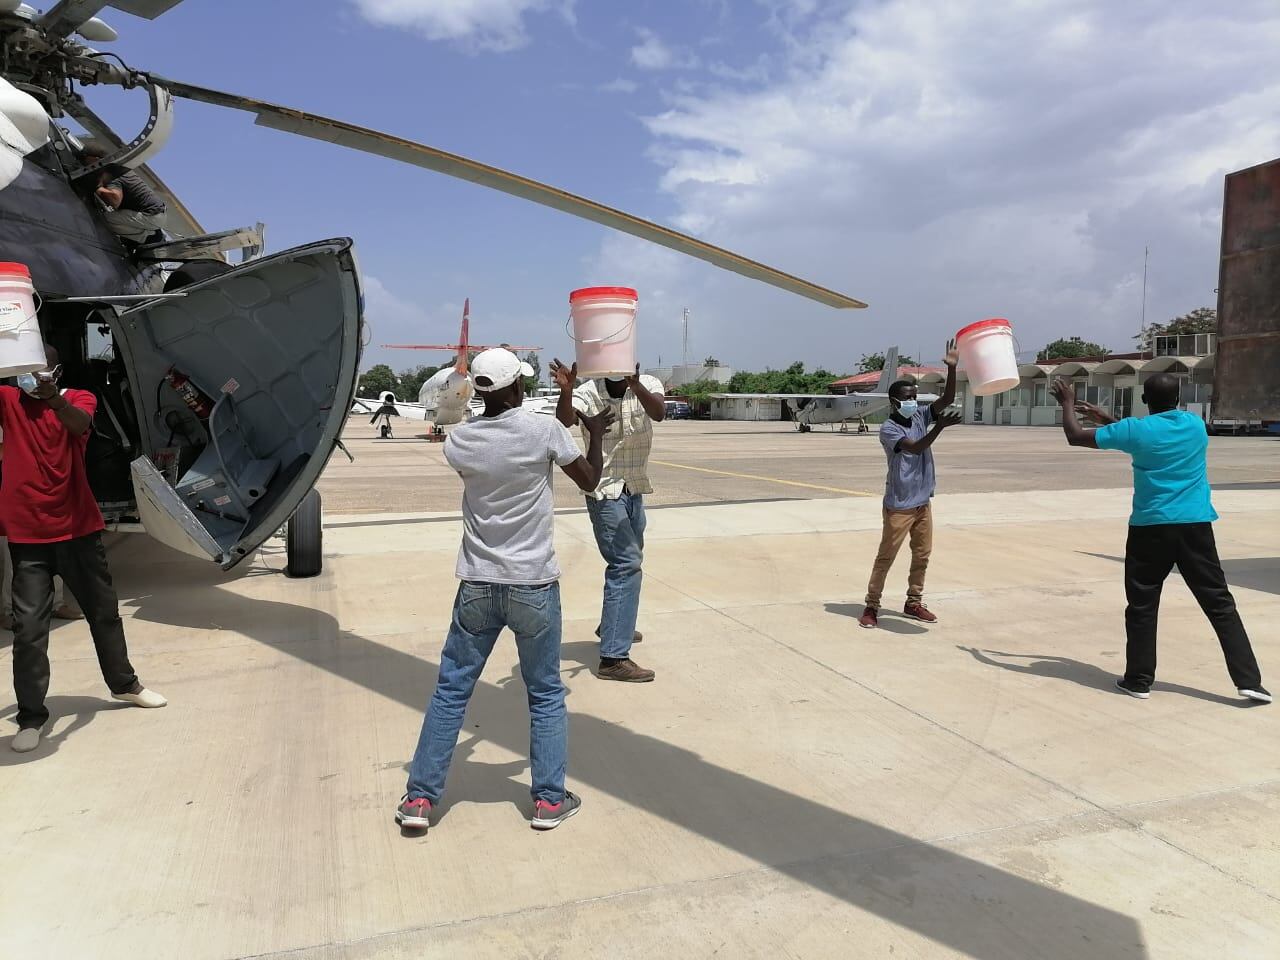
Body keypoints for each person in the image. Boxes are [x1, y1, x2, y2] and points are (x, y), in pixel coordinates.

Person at [397, 350, 614, 832]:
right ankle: (549, 801)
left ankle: (419, 800)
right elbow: (591, 480)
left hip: (476, 583)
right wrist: (594, 434)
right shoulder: (542, 432)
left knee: (451, 692)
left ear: (480, 389)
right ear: (517, 387)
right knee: (545, 695)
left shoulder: (460, 442)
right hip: (532, 584)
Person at [1052, 374, 1270, 703]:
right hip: (1195, 526)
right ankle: (1249, 681)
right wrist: (1110, 420)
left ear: (1144, 399)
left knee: (1142, 605)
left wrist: (1068, 403)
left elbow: (1075, 436)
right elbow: (1152, 433)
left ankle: (1139, 680)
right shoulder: (1195, 425)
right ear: (1179, 397)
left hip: (1150, 528)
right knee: (1219, 603)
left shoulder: (1135, 430)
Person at [2, 345, 166, 754]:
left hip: (78, 530)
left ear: (56, 371)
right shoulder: (6, 401)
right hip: (28, 537)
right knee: (29, 631)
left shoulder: (77, 398)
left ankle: (124, 685)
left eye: (42, 368)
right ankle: (31, 716)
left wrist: (52, 397)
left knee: (104, 615)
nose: (33, 376)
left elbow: (78, 425)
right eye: (27, 368)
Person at [552, 360, 665, 682]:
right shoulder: (588, 392)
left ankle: (613, 624)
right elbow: (564, 422)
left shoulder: (648, 384)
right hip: (604, 491)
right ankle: (613, 657)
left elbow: (658, 413)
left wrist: (636, 384)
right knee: (626, 563)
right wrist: (567, 390)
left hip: (635, 486)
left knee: (629, 560)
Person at [858, 339, 962, 629]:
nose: (913, 401)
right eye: (908, 397)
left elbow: (947, 399)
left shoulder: (918, 415)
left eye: (915, 396)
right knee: (886, 556)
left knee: (922, 554)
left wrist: (951, 369)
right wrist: (939, 427)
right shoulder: (889, 428)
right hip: (899, 505)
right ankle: (871, 606)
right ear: (894, 401)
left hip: (921, 503)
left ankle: (913, 602)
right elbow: (914, 448)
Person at [78, 143, 167, 244]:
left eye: (84, 157)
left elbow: (115, 201)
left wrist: (96, 187)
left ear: (97, 159)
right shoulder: (116, 168)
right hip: (155, 213)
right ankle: (149, 232)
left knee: (105, 219)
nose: (82, 161)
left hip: (151, 215)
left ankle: (150, 237)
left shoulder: (110, 173)